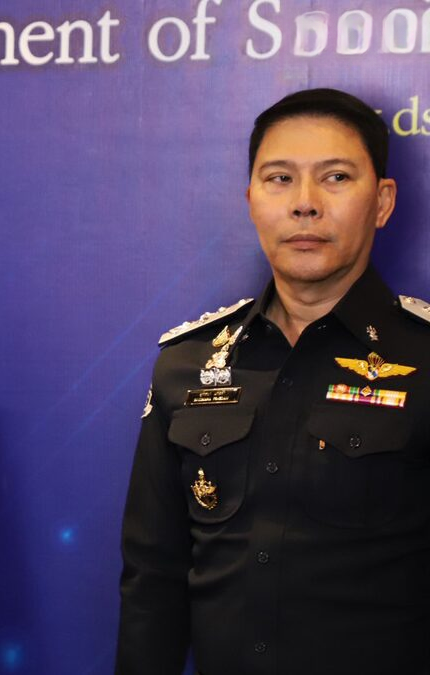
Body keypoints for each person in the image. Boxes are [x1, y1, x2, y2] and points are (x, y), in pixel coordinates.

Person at [117, 88, 430, 674]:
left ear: (383, 201)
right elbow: (152, 577)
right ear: (251, 200)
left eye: (336, 177)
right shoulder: (188, 364)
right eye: (280, 179)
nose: (305, 204)